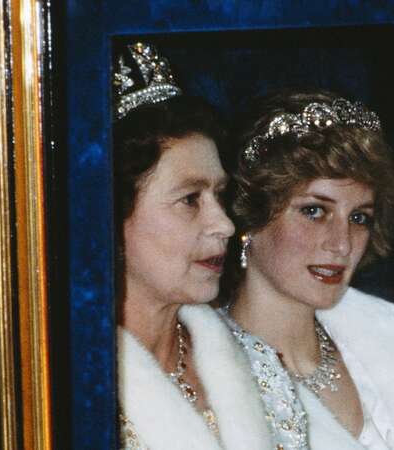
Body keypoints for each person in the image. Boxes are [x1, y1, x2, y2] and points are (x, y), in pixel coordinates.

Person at [221, 89, 394, 449]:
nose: (342, 244)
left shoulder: (391, 335)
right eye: (314, 211)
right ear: (250, 215)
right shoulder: (209, 372)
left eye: (359, 218)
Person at [114, 43, 272, 450]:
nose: (223, 224)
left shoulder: (256, 363)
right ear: (111, 217)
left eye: (220, 195)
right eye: (190, 200)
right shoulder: (63, 390)